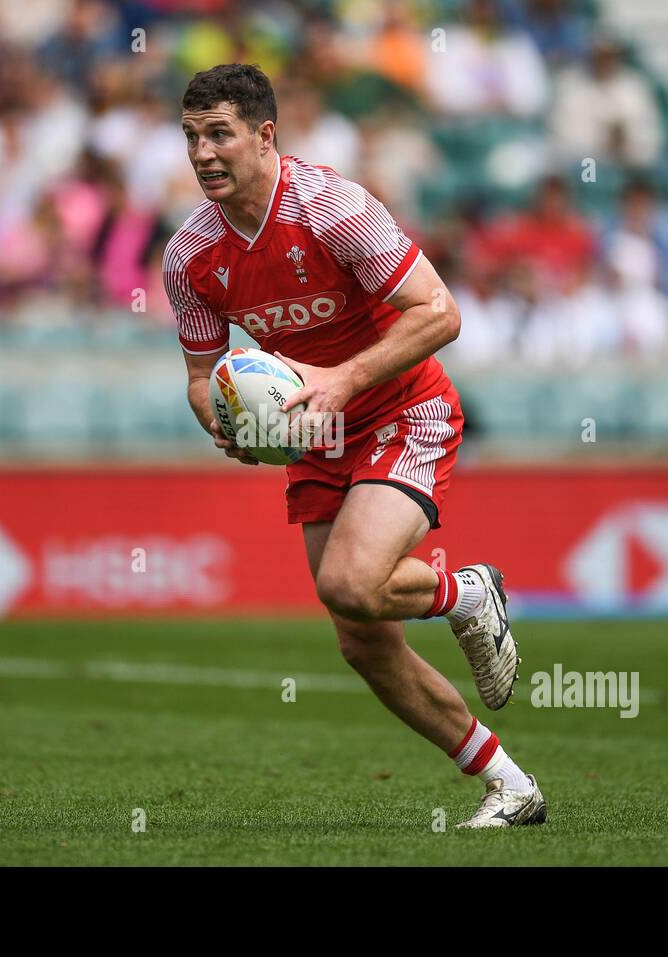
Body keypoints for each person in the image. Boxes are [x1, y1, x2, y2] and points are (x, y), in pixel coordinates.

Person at [162, 64, 545, 829]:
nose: (203, 153)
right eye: (192, 136)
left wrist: (341, 380)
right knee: (362, 641)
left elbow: (441, 311)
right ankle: (511, 784)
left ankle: (469, 592)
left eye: (220, 134)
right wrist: (228, 423)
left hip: (404, 408)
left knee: (349, 581)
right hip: (316, 434)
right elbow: (202, 376)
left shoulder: (333, 207)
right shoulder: (188, 258)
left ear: (265, 136)